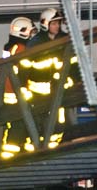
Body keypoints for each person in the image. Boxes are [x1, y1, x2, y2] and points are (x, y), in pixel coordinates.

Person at [26, 8, 66, 149]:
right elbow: (25, 66)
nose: (57, 26)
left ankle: (56, 146)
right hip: (38, 91)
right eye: (54, 23)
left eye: (58, 23)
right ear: (45, 24)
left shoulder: (64, 39)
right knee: (39, 119)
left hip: (59, 87)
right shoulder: (35, 43)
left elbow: (72, 62)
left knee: (58, 118)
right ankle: (39, 147)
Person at [1, 16, 34, 158]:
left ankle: (11, 156)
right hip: (18, 95)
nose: (32, 35)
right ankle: (15, 158)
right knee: (19, 126)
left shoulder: (9, 47)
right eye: (30, 32)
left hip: (9, 94)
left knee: (13, 125)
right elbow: (24, 72)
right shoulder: (21, 48)